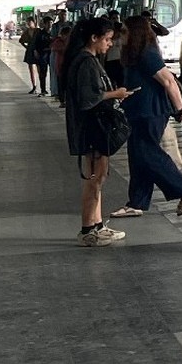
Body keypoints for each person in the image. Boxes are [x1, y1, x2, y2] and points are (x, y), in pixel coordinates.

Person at [108, 16, 182, 219]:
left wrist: (181, 111)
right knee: (137, 155)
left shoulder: (146, 53)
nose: (120, 36)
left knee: (147, 153)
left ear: (135, 33)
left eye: (124, 31)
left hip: (151, 111)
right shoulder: (135, 53)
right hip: (138, 110)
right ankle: (137, 202)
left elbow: (169, 82)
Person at [62, 17, 133, 247]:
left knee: (99, 177)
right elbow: (88, 99)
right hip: (93, 128)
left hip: (93, 126)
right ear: (94, 38)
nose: (110, 44)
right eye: (107, 39)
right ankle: (87, 230)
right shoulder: (85, 62)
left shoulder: (86, 60)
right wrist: (117, 94)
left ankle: (98, 224)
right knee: (95, 179)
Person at [50, 25, 72, 102]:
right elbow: (55, 48)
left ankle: (67, 99)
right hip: (60, 65)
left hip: (69, 65)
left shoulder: (71, 42)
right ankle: (62, 100)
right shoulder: (58, 41)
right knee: (61, 84)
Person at [104, 10, 125, 87]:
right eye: (113, 18)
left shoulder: (123, 30)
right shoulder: (107, 31)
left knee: (121, 83)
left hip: (121, 60)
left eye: (117, 18)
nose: (116, 20)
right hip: (110, 60)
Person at [19, 18, 40, 94]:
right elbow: (21, 41)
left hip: (37, 51)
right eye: (27, 22)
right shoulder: (26, 32)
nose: (28, 24)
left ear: (33, 22)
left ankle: (41, 86)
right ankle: (34, 86)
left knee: (39, 69)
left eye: (29, 22)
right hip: (30, 51)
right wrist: (27, 47)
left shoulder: (38, 31)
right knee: (31, 69)